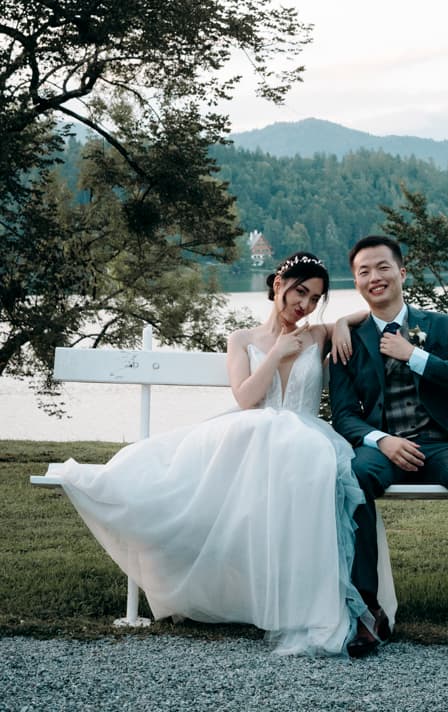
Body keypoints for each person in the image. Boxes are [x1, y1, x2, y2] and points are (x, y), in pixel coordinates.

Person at [58, 251, 396, 656]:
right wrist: (275, 353)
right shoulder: (243, 339)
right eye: (299, 293)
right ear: (278, 286)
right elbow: (247, 398)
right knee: (175, 481)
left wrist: (339, 322)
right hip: (252, 432)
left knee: (312, 468)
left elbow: (364, 315)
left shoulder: (318, 335)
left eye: (315, 299)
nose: (304, 305)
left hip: (306, 437)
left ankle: (315, 603)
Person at [329, 235, 448, 663]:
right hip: (382, 447)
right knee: (350, 479)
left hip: (441, 443)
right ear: (356, 282)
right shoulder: (347, 339)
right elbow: (343, 415)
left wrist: (415, 356)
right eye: (363, 271)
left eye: (382, 267)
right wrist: (383, 441)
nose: (374, 277)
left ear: (401, 272)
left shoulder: (442, 326)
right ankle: (369, 611)